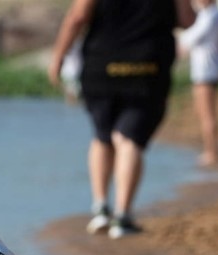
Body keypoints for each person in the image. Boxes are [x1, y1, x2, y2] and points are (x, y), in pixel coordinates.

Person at [50, 0, 197, 239]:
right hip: (148, 70)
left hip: (101, 67)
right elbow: (187, 20)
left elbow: (76, 18)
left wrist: (58, 56)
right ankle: (123, 216)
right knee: (129, 140)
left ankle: (100, 208)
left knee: (102, 136)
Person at [179, 0, 218, 166]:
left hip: (206, 71)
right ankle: (211, 150)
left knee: (207, 115)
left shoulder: (211, 16)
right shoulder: (216, 15)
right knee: (205, 114)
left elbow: (191, 37)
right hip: (210, 70)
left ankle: (212, 152)